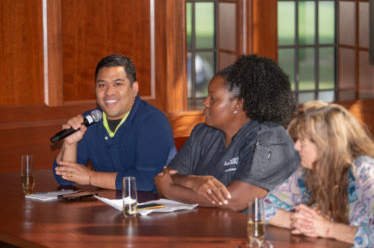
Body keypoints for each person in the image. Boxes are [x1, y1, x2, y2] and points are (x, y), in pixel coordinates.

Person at [155, 54, 300, 211]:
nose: (205, 102)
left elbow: (235, 201)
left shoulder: (270, 138)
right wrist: (191, 181)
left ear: (238, 105)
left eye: (213, 98)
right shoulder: (203, 133)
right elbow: (165, 177)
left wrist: (170, 190)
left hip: (257, 233)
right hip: (207, 226)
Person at [53, 54, 176, 191]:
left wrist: (90, 177)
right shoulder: (89, 121)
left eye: (117, 84)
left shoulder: (152, 121)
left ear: (134, 88)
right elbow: (63, 180)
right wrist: (70, 144)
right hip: (108, 207)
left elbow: (147, 181)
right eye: (102, 85)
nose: (109, 92)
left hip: (153, 207)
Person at [264, 101, 374, 246]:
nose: (296, 146)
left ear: (324, 146)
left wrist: (328, 229)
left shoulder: (364, 170)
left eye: (302, 140)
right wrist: (303, 223)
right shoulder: (307, 171)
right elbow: (263, 208)